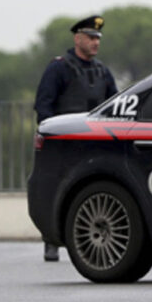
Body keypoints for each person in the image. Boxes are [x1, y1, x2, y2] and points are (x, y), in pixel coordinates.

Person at [33, 15, 118, 261]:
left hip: (95, 144)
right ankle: (51, 240)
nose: (95, 43)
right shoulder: (59, 68)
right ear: (77, 38)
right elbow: (44, 106)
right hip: (64, 143)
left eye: (98, 39)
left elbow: (115, 106)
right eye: (91, 37)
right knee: (56, 190)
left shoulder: (103, 72)